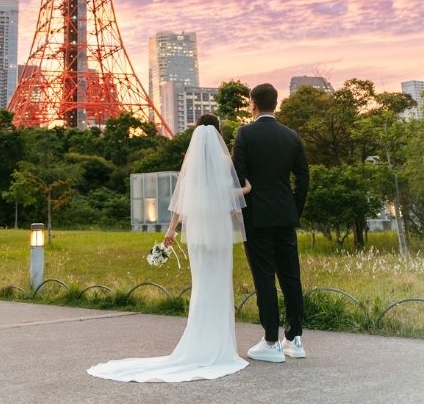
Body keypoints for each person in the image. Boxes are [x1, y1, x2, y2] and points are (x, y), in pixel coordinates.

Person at [88, 114, 249, 382]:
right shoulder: (223, 162)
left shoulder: (192, 163)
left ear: (197, 133)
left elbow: (182, 199)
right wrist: (245, 192)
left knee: (202, 284)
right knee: (220, 284)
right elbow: (227, 198)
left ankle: (198, 343)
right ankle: (220, 347)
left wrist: (172, 229)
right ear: (219, 133)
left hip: (197, 233)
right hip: (219, 232)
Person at [232, 83, 311, 363]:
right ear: (275, 103)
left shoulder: (246, 133)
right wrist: (294, 208)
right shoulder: (292, 137)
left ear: (252, 103)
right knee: (291, 276)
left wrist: (242, 207)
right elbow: (303, 179)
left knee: (264, 278)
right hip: (285, 216)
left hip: (256, 217)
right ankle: (294, 339)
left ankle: (270, 342)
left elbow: (237, 175)